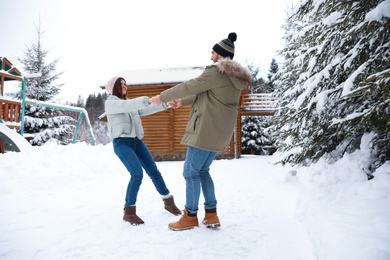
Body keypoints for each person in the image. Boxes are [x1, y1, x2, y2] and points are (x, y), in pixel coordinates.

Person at [149, 32, 252, 230]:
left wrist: (161, 97)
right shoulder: (234, 78)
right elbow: (207, 94)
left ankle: (190, 216)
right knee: (202, 171)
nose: (210, 56)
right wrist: (181, 102)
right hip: (219, 132)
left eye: (213, 52)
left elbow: (190, 86)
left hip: (205, 131)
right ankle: (211, 215)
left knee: (190, 173)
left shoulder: (216, 73)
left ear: (220, 55)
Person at [104, 76, 181, 226]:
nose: (125, 87)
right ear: (114, 88)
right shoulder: (111, 103)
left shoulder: (129, 103)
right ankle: (129, 212)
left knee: (154, 171)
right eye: (121, 85)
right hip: (122, 143)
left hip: (136, 142)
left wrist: (166, 104)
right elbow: (131, 105)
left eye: (125, 84)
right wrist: (149, 99)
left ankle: (169, 203)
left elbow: (146, 109)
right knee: (137, 174)